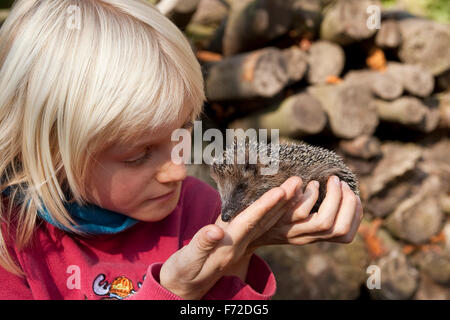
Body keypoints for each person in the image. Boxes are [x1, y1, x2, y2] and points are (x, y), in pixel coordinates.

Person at [0, 0, 363, 300]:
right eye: (137, 155)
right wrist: (173, 292)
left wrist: (235, 257)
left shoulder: (199, 208)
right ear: (46, 152)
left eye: (183, 135)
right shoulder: (11, 244)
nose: (178, 171)